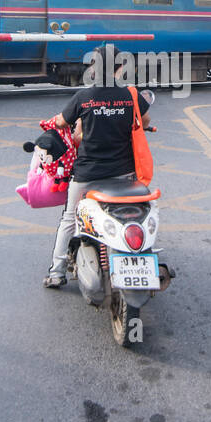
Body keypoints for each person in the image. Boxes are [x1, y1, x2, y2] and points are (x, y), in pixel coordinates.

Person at [43, 44, 154, 289]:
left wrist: (65, 125)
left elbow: (61, 122)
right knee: (140, 211)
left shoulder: (83, 97)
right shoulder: (131, 95)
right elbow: (145, 121)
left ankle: (57, 271)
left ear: (94, 69)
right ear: (120, 67)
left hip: (87, 175)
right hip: (124, 175)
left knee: (70, 219)